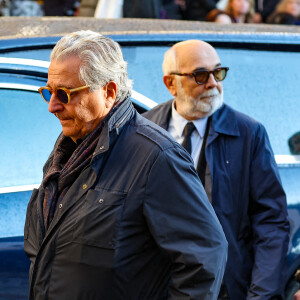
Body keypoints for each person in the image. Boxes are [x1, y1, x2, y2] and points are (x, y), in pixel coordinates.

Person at [24, 31, 228, 299]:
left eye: (64, 93)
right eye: (49, 92)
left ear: (108, 92)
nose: (52, 106)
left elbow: (204, 259)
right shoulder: (66, 151)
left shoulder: (156, 157)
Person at [143, 39, 290, 299]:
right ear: (170, 84)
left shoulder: (248, 134)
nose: (213, 83)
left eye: (218, 72)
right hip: (159, 286)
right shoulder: (144, 130)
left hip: (224, 288)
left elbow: (271, 224)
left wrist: (261, 296)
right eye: (200, 75)